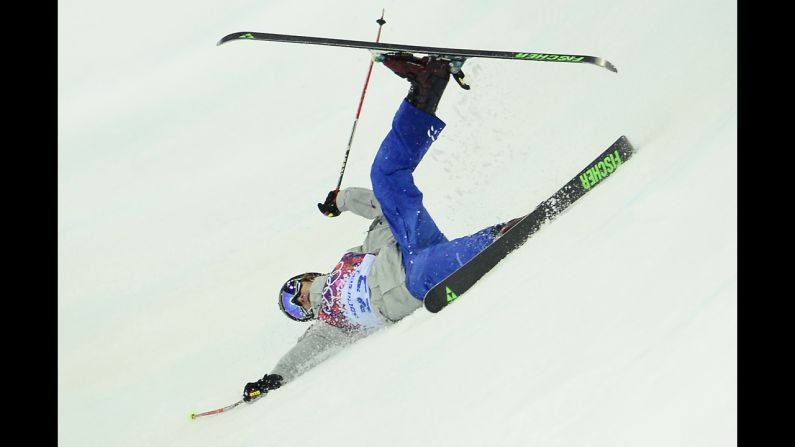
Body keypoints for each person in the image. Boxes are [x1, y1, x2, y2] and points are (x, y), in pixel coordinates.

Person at [243, 53, 519, 402]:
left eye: (294, 289)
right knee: (447, 263)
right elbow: (300, 356)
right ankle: (502, 234)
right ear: (306, 316)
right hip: (410, 282)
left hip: (406, 241)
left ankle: (426, 87)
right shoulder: (329, 325)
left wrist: (342, 199)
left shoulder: (352, 260)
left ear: (308, 276)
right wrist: (272, 379)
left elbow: (381, 211)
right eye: (295, 307)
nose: (298, 297)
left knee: (385, 176)